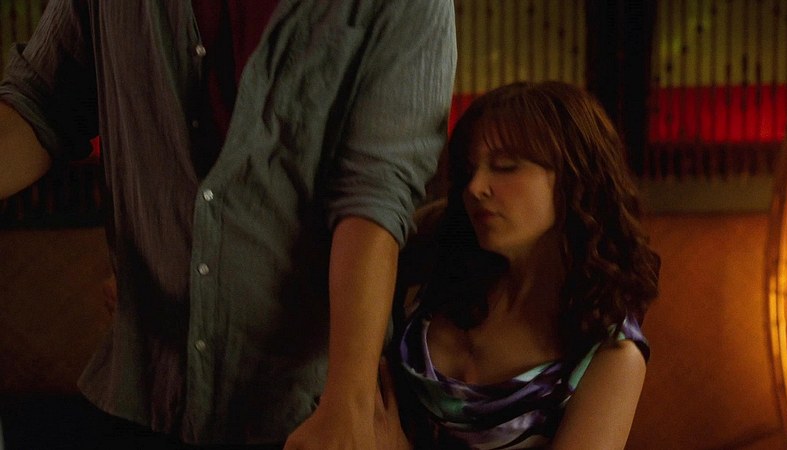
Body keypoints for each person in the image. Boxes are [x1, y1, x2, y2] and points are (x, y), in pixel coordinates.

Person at [0, 1, 456, 448]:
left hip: (308, 408)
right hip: (148, 390)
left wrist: (347, 407)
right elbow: (42, 101)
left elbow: (374, 195)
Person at [379, 81, 660, 449]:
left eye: (505, 167)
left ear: (575, 178)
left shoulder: (610, 355)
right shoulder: (437, 249)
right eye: (469, 169)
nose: (476, 187)